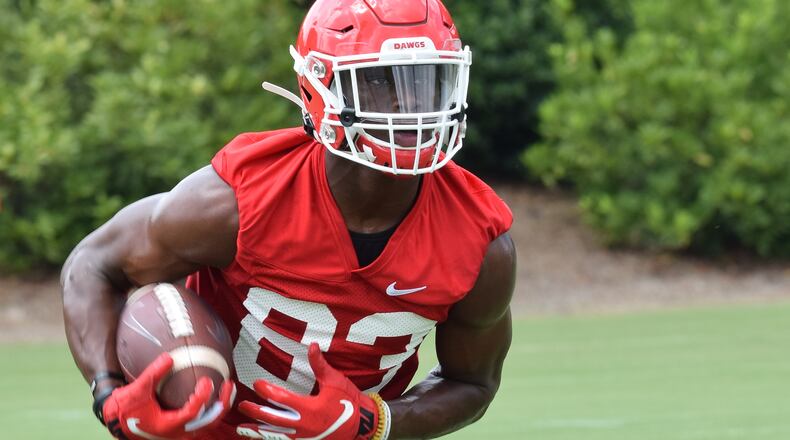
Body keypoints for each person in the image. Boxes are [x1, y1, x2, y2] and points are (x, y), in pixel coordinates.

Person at [62, 0, 516, 438]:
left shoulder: (480, 240)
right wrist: (109, 394)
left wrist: (373, 421)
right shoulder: (242, 199)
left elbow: (473, 383)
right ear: (319, 87)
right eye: (380, 81)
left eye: (427, 80)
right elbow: (94, 264)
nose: (409, 105)